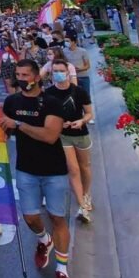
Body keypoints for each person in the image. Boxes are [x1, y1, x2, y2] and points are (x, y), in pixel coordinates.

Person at [0, 59, 74, 278]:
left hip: (54, 171)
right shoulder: (12, 102)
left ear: (37, 77)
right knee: (31, 217)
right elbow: (4, 129)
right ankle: (44, 240)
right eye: (18, 74)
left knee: (57, 218)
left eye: (25, 74)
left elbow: (51, 135)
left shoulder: (52, 103)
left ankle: (62, 271)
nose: (21, 78)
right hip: (25, 169)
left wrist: (19, 124)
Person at [44, 59, 94, 223]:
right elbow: (45, 116)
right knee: (73, 170)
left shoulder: (79, 92)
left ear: (67, 72)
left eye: (60, 70)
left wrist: (81, 121)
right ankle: (82, 206)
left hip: (80, 134)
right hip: (62, 135)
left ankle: (86, 195)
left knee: (84, 167)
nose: (58, 74)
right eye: (55, 71)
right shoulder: (48, 93)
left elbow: (88, 113)